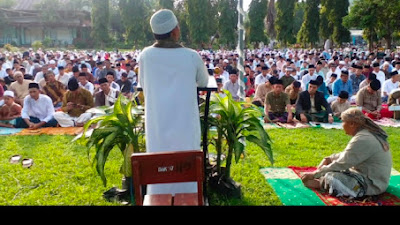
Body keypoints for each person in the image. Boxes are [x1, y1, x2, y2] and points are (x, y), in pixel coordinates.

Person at [138, 9, 209, 196]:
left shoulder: (145, 55)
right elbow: (203, 82)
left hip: (157, 122)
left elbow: (143, 85)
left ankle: (158, 196)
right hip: (185, 123)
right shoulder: (191, 56)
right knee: (187, 161)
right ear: (175, 31)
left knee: (159, 161)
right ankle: (189, 197)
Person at [301, 108, 392, 198]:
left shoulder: (362, 139)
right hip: (374, 179)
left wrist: (315, 174)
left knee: (331, 176)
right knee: (330, 170)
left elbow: (342, 163)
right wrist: (329, 159)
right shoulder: (366, 135)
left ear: (352, 124)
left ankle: (320, 184)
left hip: (372, 185)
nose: (342, 125)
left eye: (343, 122)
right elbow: (348, 155)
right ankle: (323, 181)